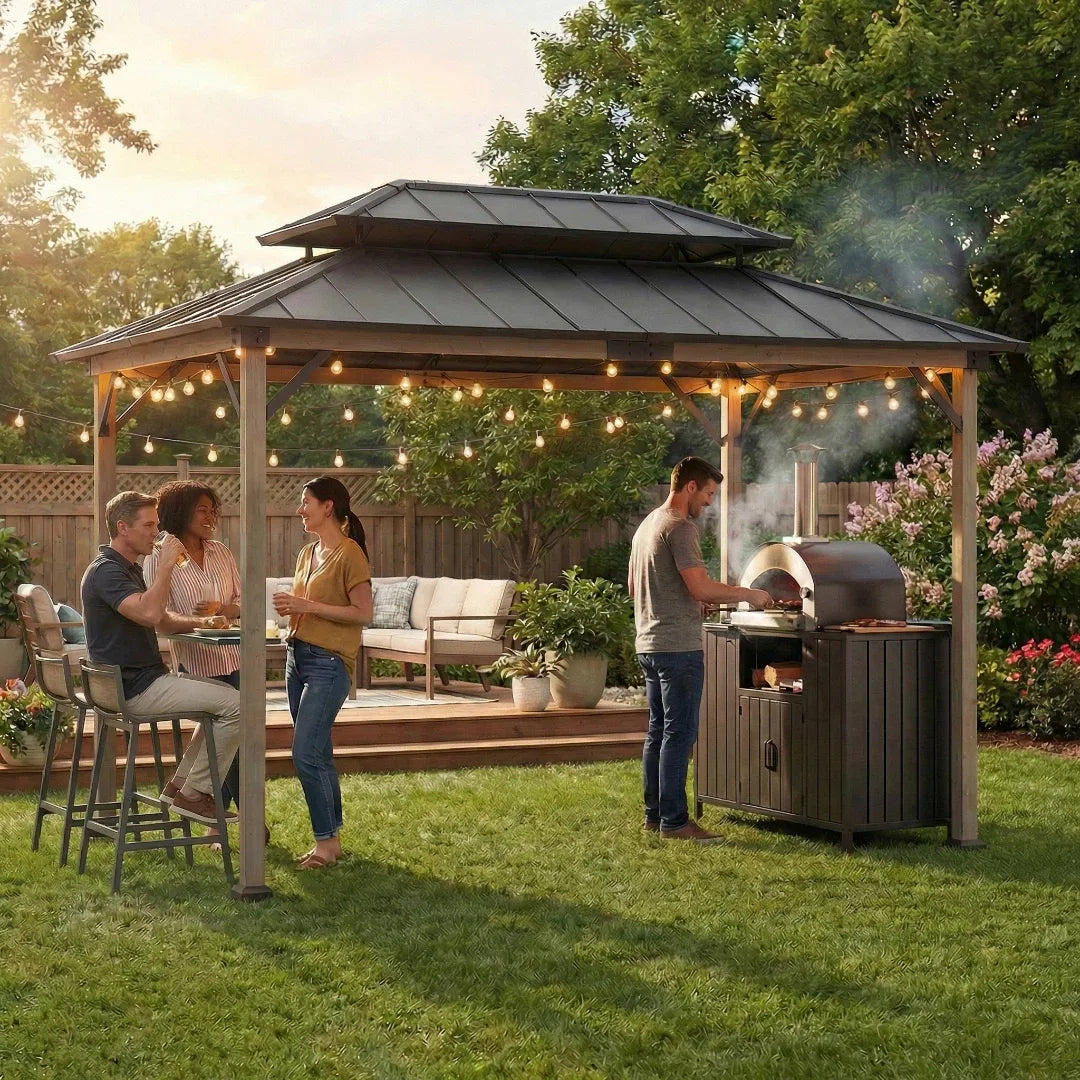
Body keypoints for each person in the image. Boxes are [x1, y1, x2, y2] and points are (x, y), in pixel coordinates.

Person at [629, 457, 771, 842]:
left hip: (649, 644)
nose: (709, 502)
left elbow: (637, 587)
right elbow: (700, 587)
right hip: (678, 649)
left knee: (658, 732)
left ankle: (655, 816)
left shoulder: (648, 525)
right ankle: (676, 823)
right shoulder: (680, 527)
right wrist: (748, 594)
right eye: (708, 493)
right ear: (690, 487)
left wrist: (688, 602)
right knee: (679, 734)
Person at [80, 490, 241, 824]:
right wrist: (167, 563)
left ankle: (180, 786)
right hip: (135, 687)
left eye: (156, 524)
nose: (157, 532)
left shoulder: (127, 569)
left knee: (226, 700)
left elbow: (163, 619)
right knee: (239, 705)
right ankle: (193, 793)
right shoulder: (106, 572)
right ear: (123, 528)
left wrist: (202, 622)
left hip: (142, 681)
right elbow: (151, 614)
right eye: (149, 525)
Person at [273, 476, 372, 870]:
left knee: (305, 754)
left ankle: (326, 844)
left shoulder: (350, 554)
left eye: (306, 502)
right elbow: (306, 604)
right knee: (319, 753)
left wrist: (305, 606)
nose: (300, 510)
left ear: (328, 506)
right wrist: (292, 609)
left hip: (329, 664)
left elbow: (363, 613)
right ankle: (331, 842)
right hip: (296, 657)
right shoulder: (307, 553)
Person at [143, 481, 246, 839]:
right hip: (195, 663)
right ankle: (230, 821)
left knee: (235, 742)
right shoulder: (160, 557)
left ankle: (199, 803)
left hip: (234, 657)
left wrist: (226, 610)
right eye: (202, 509)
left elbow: (241, 601)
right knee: (232, 739)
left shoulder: (221, 553)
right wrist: (199, 621)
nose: (210, 516)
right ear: (180, 511)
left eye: (212, 510)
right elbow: (158, 614)